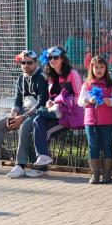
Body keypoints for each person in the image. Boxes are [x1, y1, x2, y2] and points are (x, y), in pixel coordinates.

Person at [0, 50, 49, 178]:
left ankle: (20, 165)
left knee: (24, 126)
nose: (25, 65)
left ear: (36, 62)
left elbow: (41, 103)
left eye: (29, 63)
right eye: (23, 62)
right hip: (22, 111)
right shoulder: (21, 78)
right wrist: (13, 112)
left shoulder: (42, 77)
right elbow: (17, 100)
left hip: (38, 112)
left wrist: (23, 117)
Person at [29, 46, 83, 177]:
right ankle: (42, 161)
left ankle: (40, 168)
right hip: (55, 112)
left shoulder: (72, 74)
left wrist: (63, 103)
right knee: (37, 120)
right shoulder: (51, 75)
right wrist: (50, 102)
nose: (52, 60)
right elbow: (51, 96)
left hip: (70, 116)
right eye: (49, 58)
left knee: (44, 132)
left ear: (62, 58)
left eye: (55, 57)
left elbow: (80, 96)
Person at [78, 56, 112, 184]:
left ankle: (107, 175)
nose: (99, 70)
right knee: (93, 147)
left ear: (106, 68)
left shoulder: (111, 85)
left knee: (107, 146)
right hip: (90, 121)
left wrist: (110, 101)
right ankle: (95, 175)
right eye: (96, 67)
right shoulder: (87, 85)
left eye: (102, 67)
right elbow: (79, 102)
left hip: (108, 121)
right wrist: (87, 100)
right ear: (91, 68)